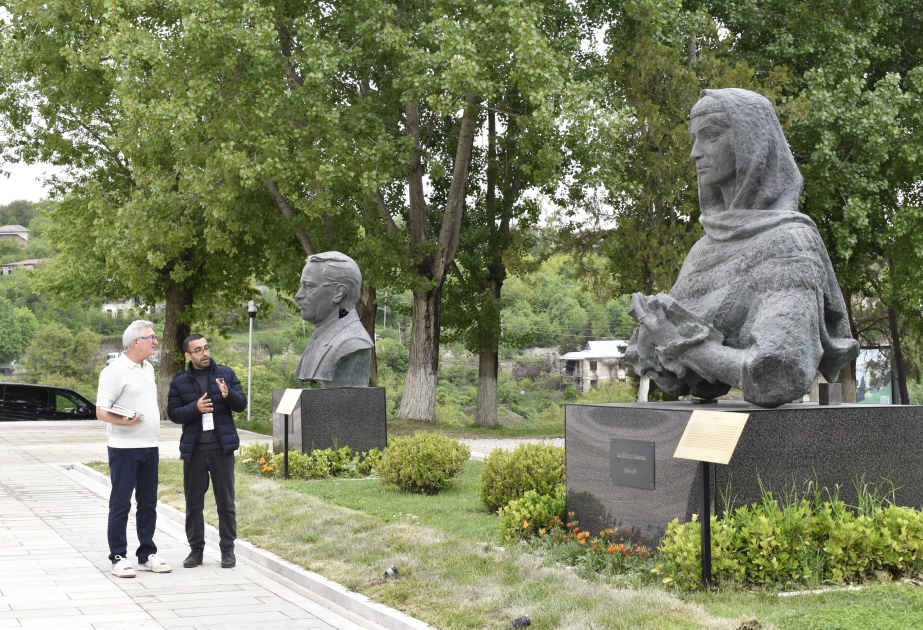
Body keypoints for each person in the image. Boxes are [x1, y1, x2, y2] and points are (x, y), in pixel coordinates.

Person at [626, 88, 859, 408]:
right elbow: (674, 380)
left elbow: (777, 375)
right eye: (695, 138)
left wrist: (676, 341)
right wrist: (653, 329)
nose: (695, 152)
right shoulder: (702, 251)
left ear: (753, 142)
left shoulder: (789, 245)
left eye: (710, 136)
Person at [96, 320, 172, 577]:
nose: (156, 341)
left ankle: (146, 555)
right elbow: (101, 411)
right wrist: (122, 420)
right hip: (124, 448)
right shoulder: (114, 370)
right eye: (151, 337)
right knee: (121, 503)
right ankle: (118, 557)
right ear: (135, 341)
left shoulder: (148, 368)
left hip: (150, 446)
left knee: (148, 503)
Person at [167, 334, 247, 568]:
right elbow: (173, 413)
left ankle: (227, 551)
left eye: (206, 348)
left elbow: (241, 404)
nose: (205, 353)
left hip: (221, 449)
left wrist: (227, 394)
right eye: (198, 350)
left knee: (226, 502)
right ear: (188, 355)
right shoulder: (179, 381)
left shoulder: (226, 374)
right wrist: (196, 408)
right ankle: (196, 551)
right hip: (195, 451)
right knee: (194, 504)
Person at [294, 252, 374, 387]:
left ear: (339, 292)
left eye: (308, 286)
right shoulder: (320, 336)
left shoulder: (353, 344)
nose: (298, 295)